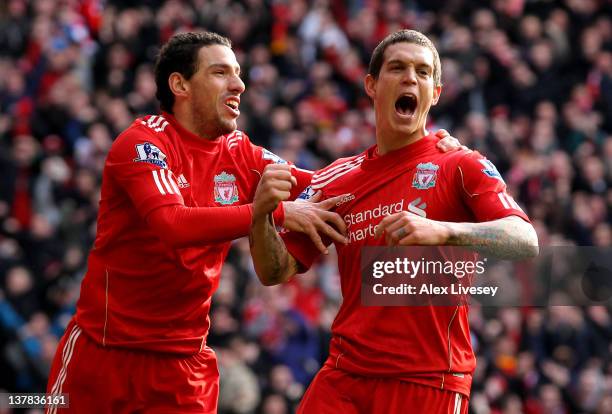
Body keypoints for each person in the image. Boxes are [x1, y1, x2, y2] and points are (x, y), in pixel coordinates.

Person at [45, 31, 463, 413]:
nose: (239, 85)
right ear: (181, 85)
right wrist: (275, 211)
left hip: (182, 365)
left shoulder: (241, 152)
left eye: (239, 74)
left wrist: (424, 152)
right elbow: (172, 225)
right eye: (221, 73)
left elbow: (332, 187)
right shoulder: (144, 143)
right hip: (104, 352)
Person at [249, 30, 539, 413]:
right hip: (345, 374)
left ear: (434, 93)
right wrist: (261, 215)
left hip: (426, 379)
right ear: (371, 85)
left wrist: (441, 231)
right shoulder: (338, 178)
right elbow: (275, 270)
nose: (410, 79)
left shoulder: (460, 164)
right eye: (398, 68)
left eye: (422, 72)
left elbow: (524, 240)